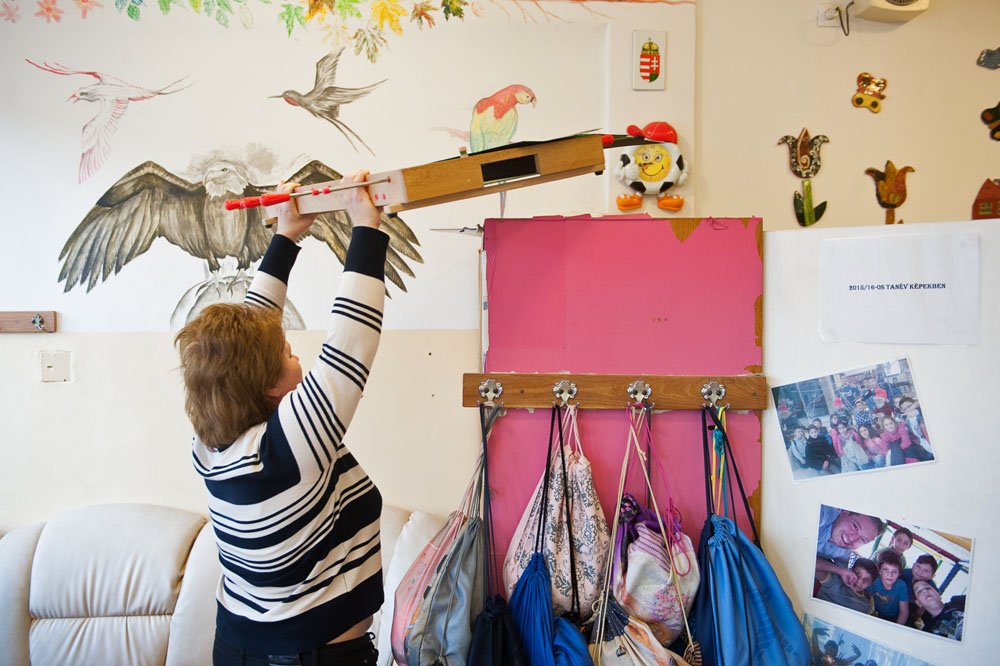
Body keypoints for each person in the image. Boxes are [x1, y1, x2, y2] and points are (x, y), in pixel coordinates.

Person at [175, 173, 389, 666]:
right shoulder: (289, 449)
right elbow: (350, 341)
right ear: (271, 385)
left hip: (242, 645)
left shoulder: (213, 443)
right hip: (305, 657)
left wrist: (287, 234)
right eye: (289, 352)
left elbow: (250, 334)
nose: (297, 352)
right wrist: (366, 226)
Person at [815, 507, 885, 586]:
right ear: (844, 514)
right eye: (855, 527)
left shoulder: (843, 553)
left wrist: (841, 571)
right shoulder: (820, 515)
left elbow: (843, 573)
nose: (852, 538)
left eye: (862, 540)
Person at [868, 551, 908, 625]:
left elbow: (904, 612)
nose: (890, 575)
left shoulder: (901, 585)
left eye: (894, 571)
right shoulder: (874, 580)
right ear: (879, 570)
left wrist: (897, 629)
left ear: (899, 574)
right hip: (875, 613)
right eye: (885, 569)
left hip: (894, 617)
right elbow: (865, 597)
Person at [902, 554, 940, 628]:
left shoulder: (932, 590)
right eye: (918, 567)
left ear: (932, 576)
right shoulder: (903, 574)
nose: (920, 572)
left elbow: (922, 610)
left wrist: (916, 615)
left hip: (915, 607)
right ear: (913, 565)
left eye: (926, 571)